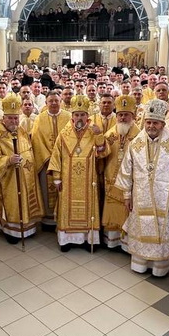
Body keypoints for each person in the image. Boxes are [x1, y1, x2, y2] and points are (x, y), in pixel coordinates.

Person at [115, 99, 169, 277]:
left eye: (155, 123)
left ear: (162, 124)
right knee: (140, 230)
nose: (151, 126)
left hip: (164, 201)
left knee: (162, 234)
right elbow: (127, 171)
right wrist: (127, 196)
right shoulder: (136, 143)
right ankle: (140, 264)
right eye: (148, 122)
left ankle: (160, 268)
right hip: (140, 198)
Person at [49, 96, 108, 252]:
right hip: (68, 180)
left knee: (88, 209)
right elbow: (56, 156)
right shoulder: (64, 134)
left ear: (87, 116)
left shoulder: (94, 131)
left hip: (89, 180)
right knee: (68, 208)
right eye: (77, 115)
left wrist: (99, 135)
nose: (79, 118)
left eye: (82, 115)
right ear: (72, 116)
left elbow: (102, 154)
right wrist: (57, 178)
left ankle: (88, 240)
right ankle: (66, 241)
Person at [0, 95, 43, 243]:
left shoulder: (21, 131)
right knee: (13, 203)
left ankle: (28, 229)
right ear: (4, 119)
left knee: (26, 201)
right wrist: (8, 160)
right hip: (10, 179)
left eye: (16, 118)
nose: (14, 121)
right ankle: (12, 232)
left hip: (27, 174)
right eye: (10, 118)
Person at [102, 95, 141, 249]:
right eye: (120, 115)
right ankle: (112, 241)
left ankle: (125, 244)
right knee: (112, 209)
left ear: (133, 116)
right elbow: (101, 155)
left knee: (127, 210)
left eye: (126, 114)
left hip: (130, 183)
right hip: (111, 180)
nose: (123, 118)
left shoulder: (139, 136)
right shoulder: (110, 134)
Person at [32, 90, 71, 228]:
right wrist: (49, 158)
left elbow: (73, 138)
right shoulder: (39, 118)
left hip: (65, 161)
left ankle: (64, 218)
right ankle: (48, 220)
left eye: (56, 100)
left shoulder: (68, 117)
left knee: (65, 190)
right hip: (46, 162)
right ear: (46, 103)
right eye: (51, 101)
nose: (54, 103)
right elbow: (36, 140)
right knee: (46, 189)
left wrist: (63, 157)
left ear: (61, 101)